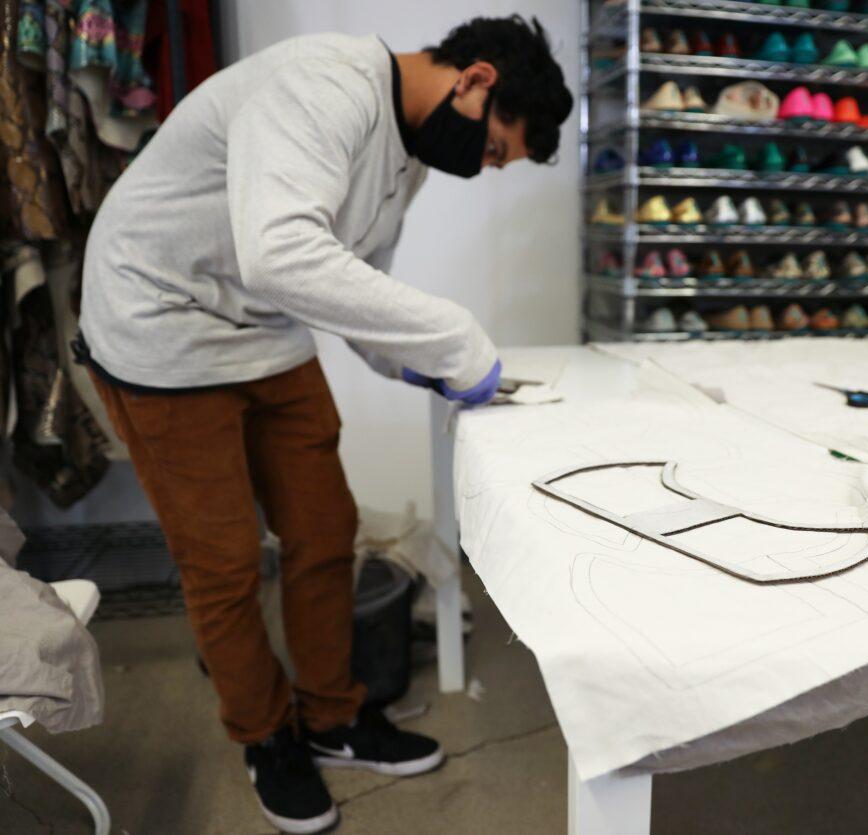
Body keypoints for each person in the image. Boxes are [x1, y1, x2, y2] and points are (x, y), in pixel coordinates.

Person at [74, 15, 572, 833]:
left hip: (262, 329)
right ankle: (268, 737)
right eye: (494, 150)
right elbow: (282, 253)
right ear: (476, 81)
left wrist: (419, 365)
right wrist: (458, 338)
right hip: (159, 322)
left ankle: (333, 716)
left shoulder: (404, 160)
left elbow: (351, 283)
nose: (483, 170)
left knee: (324, 524)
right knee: (225, 559)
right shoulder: (325, 86)